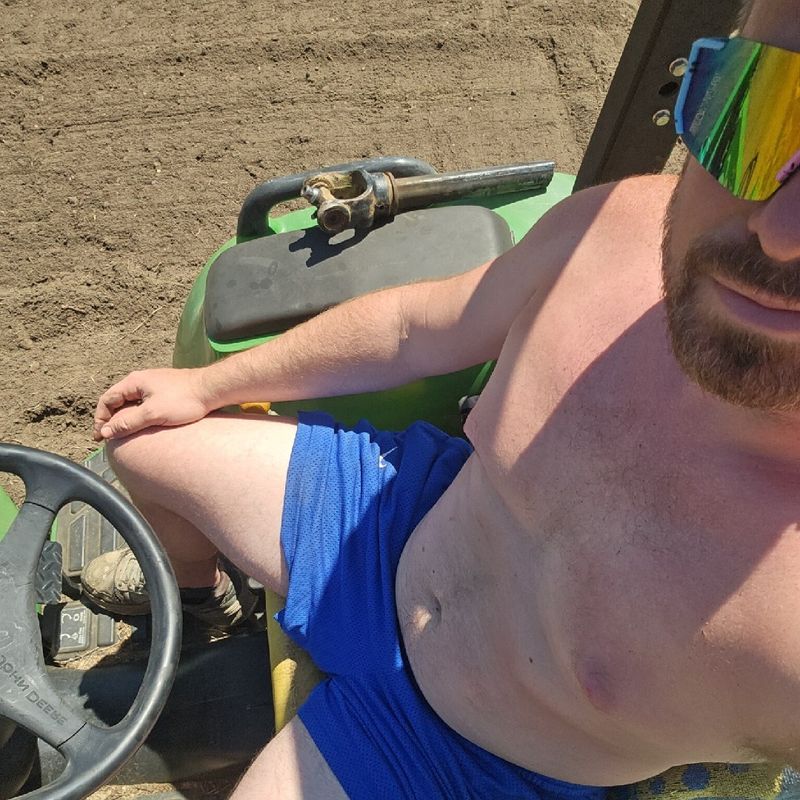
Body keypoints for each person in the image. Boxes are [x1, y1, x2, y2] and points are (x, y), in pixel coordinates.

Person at [81, 0, 800, 796]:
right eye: (767, 105)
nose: (780, 234)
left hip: (455, 757)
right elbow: (414, 329)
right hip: (393, 526)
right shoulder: (615, 231)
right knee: (138, 443)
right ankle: (199, 609)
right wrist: (207, 385)